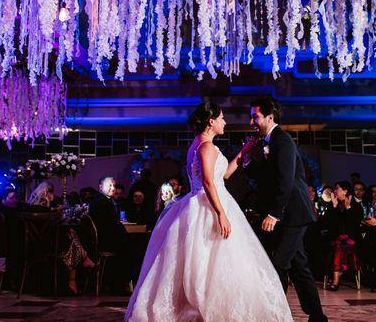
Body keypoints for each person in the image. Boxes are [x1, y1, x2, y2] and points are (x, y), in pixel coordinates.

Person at [125, 101, 292, 321]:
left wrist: (243, 152)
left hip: (206, 202)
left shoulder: (202, 144)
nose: (225, 122)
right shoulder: (205, 146)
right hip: (208, 207)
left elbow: (223, 176)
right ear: (211, 121)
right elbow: (207, 182)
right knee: (211, 263)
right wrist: (221, 213)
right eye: (222, 118)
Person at [246, 96, 327, 322]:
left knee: (277, 266)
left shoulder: (282, 140)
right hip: (290, 215)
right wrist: (246, 161)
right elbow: (267, 178)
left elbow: (285, 180)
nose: (252, 121)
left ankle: (274, 317)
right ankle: (318, 317)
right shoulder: (271, 142)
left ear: (270, 117)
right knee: (299, 267)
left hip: (294, 213)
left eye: (256, 117)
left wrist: (274, 214)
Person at [322, 180, 364, 291]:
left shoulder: (355, 205)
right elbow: (328, 222)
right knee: (338, 245)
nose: (335, 191)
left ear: (345, 191)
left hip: (351, 239)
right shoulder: (333, 204)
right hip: (335, 238)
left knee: (340, 246)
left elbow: (355, 222)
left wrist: (348, 208)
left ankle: (335, 280)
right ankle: (336, 277)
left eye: (337, 189)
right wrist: (335, 206)